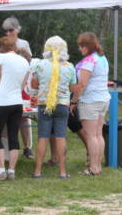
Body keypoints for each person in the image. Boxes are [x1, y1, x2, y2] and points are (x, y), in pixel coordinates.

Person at [31, 36, 76, 179]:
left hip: (44, 104)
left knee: (42, 137)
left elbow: (33, 85)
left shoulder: (39, 65)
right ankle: (62, 171)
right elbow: (72, 87)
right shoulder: (70, 67)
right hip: (62, 104)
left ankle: (38, 171)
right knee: (61, 137)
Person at [0, 36, 29, 181]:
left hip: (2, 101)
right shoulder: (24, 61)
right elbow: (23, 85)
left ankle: (0, 170)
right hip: (17, 102)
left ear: (2, 47)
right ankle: (11, 171)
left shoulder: (0, 58)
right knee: (13, 136)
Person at [71, 32, 110, 176]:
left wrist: (73, 101)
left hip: (90, 101)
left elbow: (81, 84)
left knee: (91, 136)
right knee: (98, 134)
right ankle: (97, 166)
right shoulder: (102, 57)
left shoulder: (89, 61)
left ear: (88, 46)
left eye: (82, 46)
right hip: (103, 98)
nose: (80, 49)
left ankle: (93, 167)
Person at [0, 17, 34, 159]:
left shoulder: (24, 43)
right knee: (7, 118)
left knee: (24, 118)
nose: (8, 33)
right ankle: (8, 150)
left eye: (11, 30)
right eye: (6, 30)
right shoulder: (2, 45)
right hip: (8, 85)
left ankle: (27, 148)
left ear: (17, 30)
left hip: (22, 85)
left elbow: (30, 63)